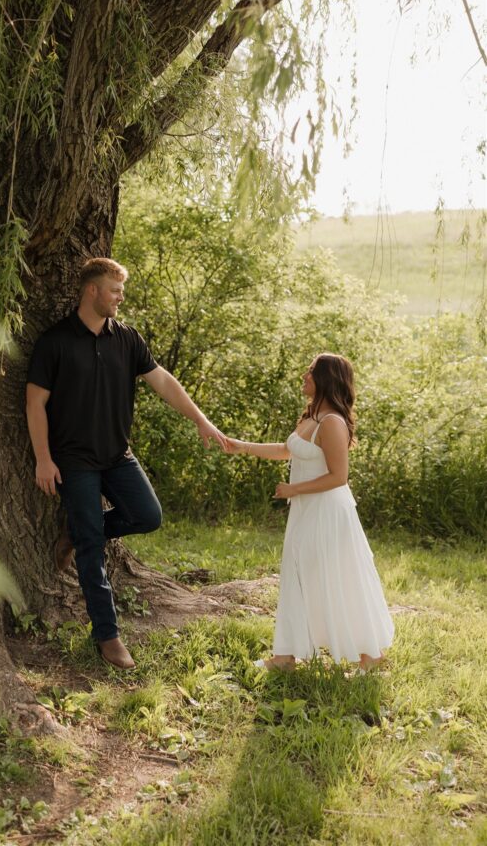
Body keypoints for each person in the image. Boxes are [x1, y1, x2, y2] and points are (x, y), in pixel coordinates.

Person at [26, 257, 227, 670]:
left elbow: (164, 382)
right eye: (115, 290)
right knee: (92, 548)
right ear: (92, 291)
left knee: (147, 515)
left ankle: (80, 533)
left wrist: (201, 420)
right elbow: (35, 403)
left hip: (117, 455)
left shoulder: (127, 339)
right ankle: (108, 635)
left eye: (122, 290)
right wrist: (43, 459)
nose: (121, 297)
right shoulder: (56, 341)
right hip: (74, 460)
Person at [224, 353, 393, 673]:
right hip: (306, 512)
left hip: (328, 512)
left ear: (327, 379)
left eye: (311, 372)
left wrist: (293, 490)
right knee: (296, 575)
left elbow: (338, 476)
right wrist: (240, 445)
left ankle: (370, 657)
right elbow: (286, 450)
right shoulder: (311, 417)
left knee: (338, 578)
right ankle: (286, 656)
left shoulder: (332, 423)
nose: (305, 375)